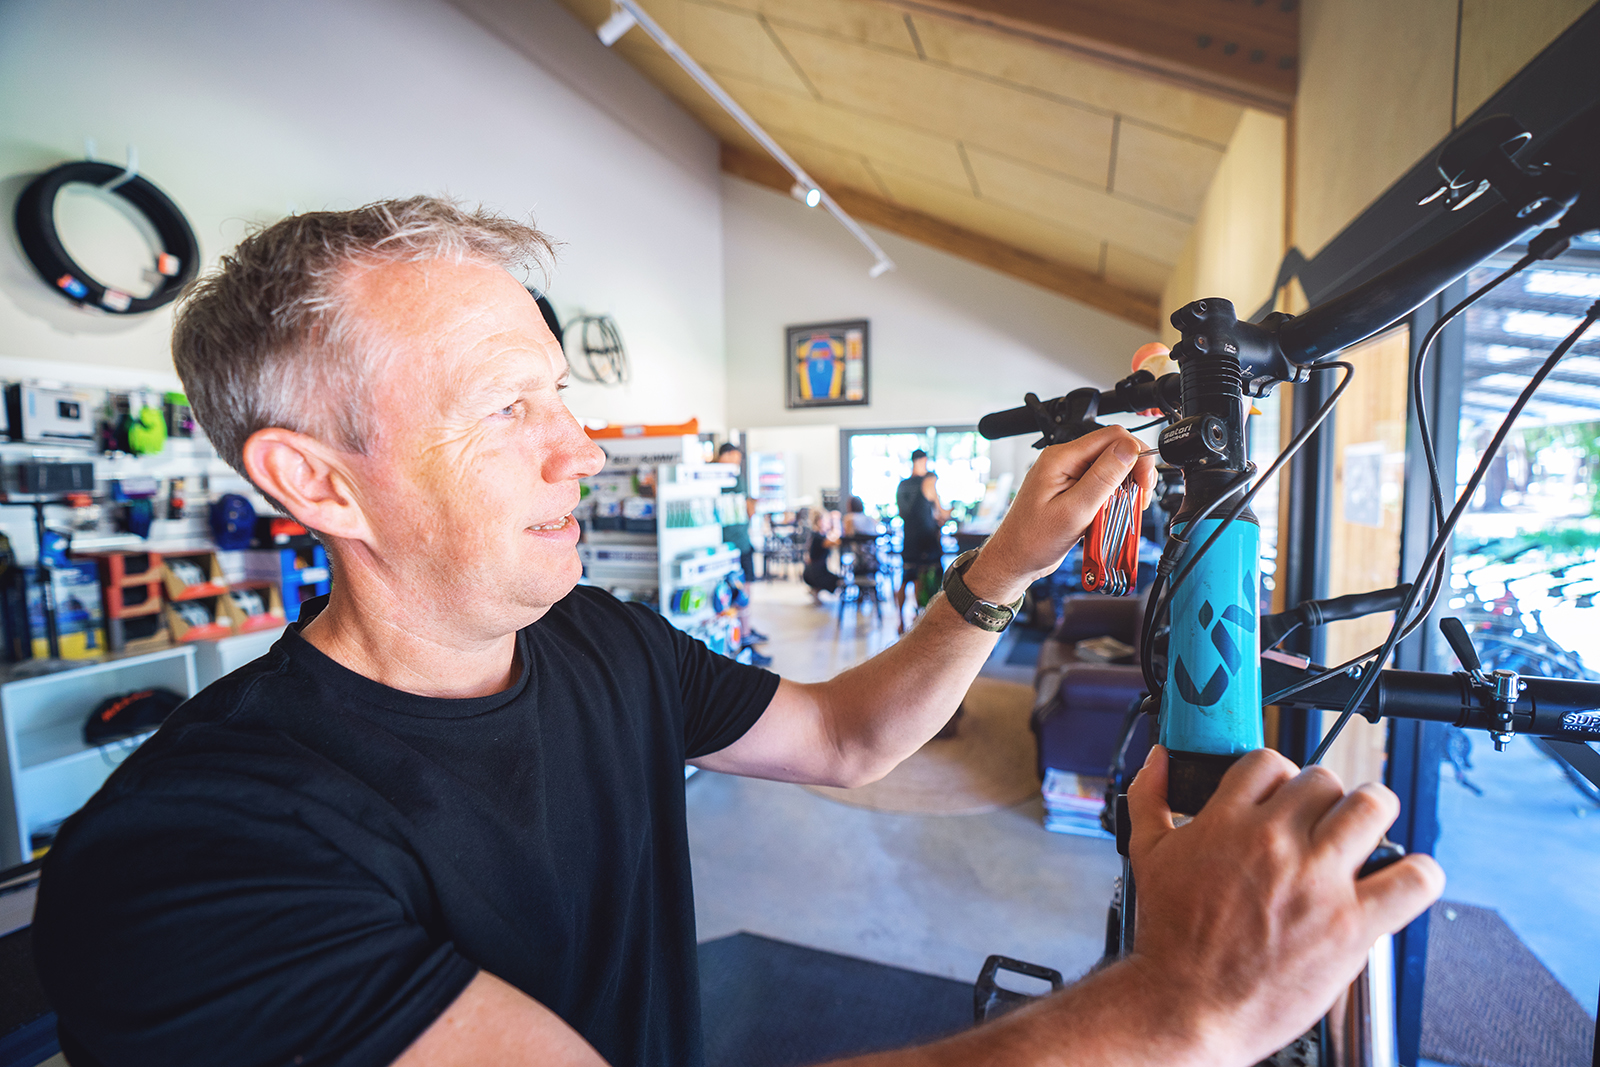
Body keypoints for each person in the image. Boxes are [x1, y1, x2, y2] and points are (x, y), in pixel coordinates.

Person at [32, 198, 1443, 1067]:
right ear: (317, 480)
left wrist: (1007, 559)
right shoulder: (194, 859)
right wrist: (1176, 1008)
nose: (581, 451)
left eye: (561, 395)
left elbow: (847, 735)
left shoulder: (601, 642)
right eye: (507, 406)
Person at [716, 441, 769, 665]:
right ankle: (743, 640)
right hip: (729, 545)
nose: (736, 463)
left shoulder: (736, 478)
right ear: (726, 455)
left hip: (739, 543)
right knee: (736, 595)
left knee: (742, 593)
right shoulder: (722, 478)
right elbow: (747, 510)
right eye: (735, 457)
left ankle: (744, 634)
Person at [895, 450, 949, 635]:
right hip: (926, 540)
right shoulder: (928, 481)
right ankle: (920, 618)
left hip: (908, 539)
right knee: (924, 577)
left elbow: (902, 512)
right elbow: (940, 511)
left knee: (905, 579)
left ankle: (900, 621)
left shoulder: (902, 485)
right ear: (923, 460)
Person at [801, 508, 840, 604]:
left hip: (812, 571)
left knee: (836, 579)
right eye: (827, 520)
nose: (828, 523)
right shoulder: (818, 537)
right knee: (838, 581)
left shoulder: (815, 535)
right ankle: (816, 588)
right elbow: (836, 540)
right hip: (816, 573)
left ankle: (815, 590)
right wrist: (836, 522)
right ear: (820, 521)